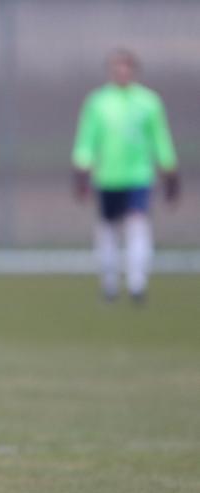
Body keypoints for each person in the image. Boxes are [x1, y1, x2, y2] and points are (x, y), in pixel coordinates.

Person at [72, 48, 179, 304]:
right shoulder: (98, 102)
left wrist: (169, 169)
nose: (121, 72)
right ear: (111, 72)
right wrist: (81, 170)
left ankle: (136, 284)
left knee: (137, 226)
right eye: (116, 68)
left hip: (138, 176)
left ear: (134, 71)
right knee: (107, 232)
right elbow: (87, 139)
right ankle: (109, 284)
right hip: (107, 176)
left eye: (126, 67)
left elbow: (160, 139)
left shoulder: (148, 102)